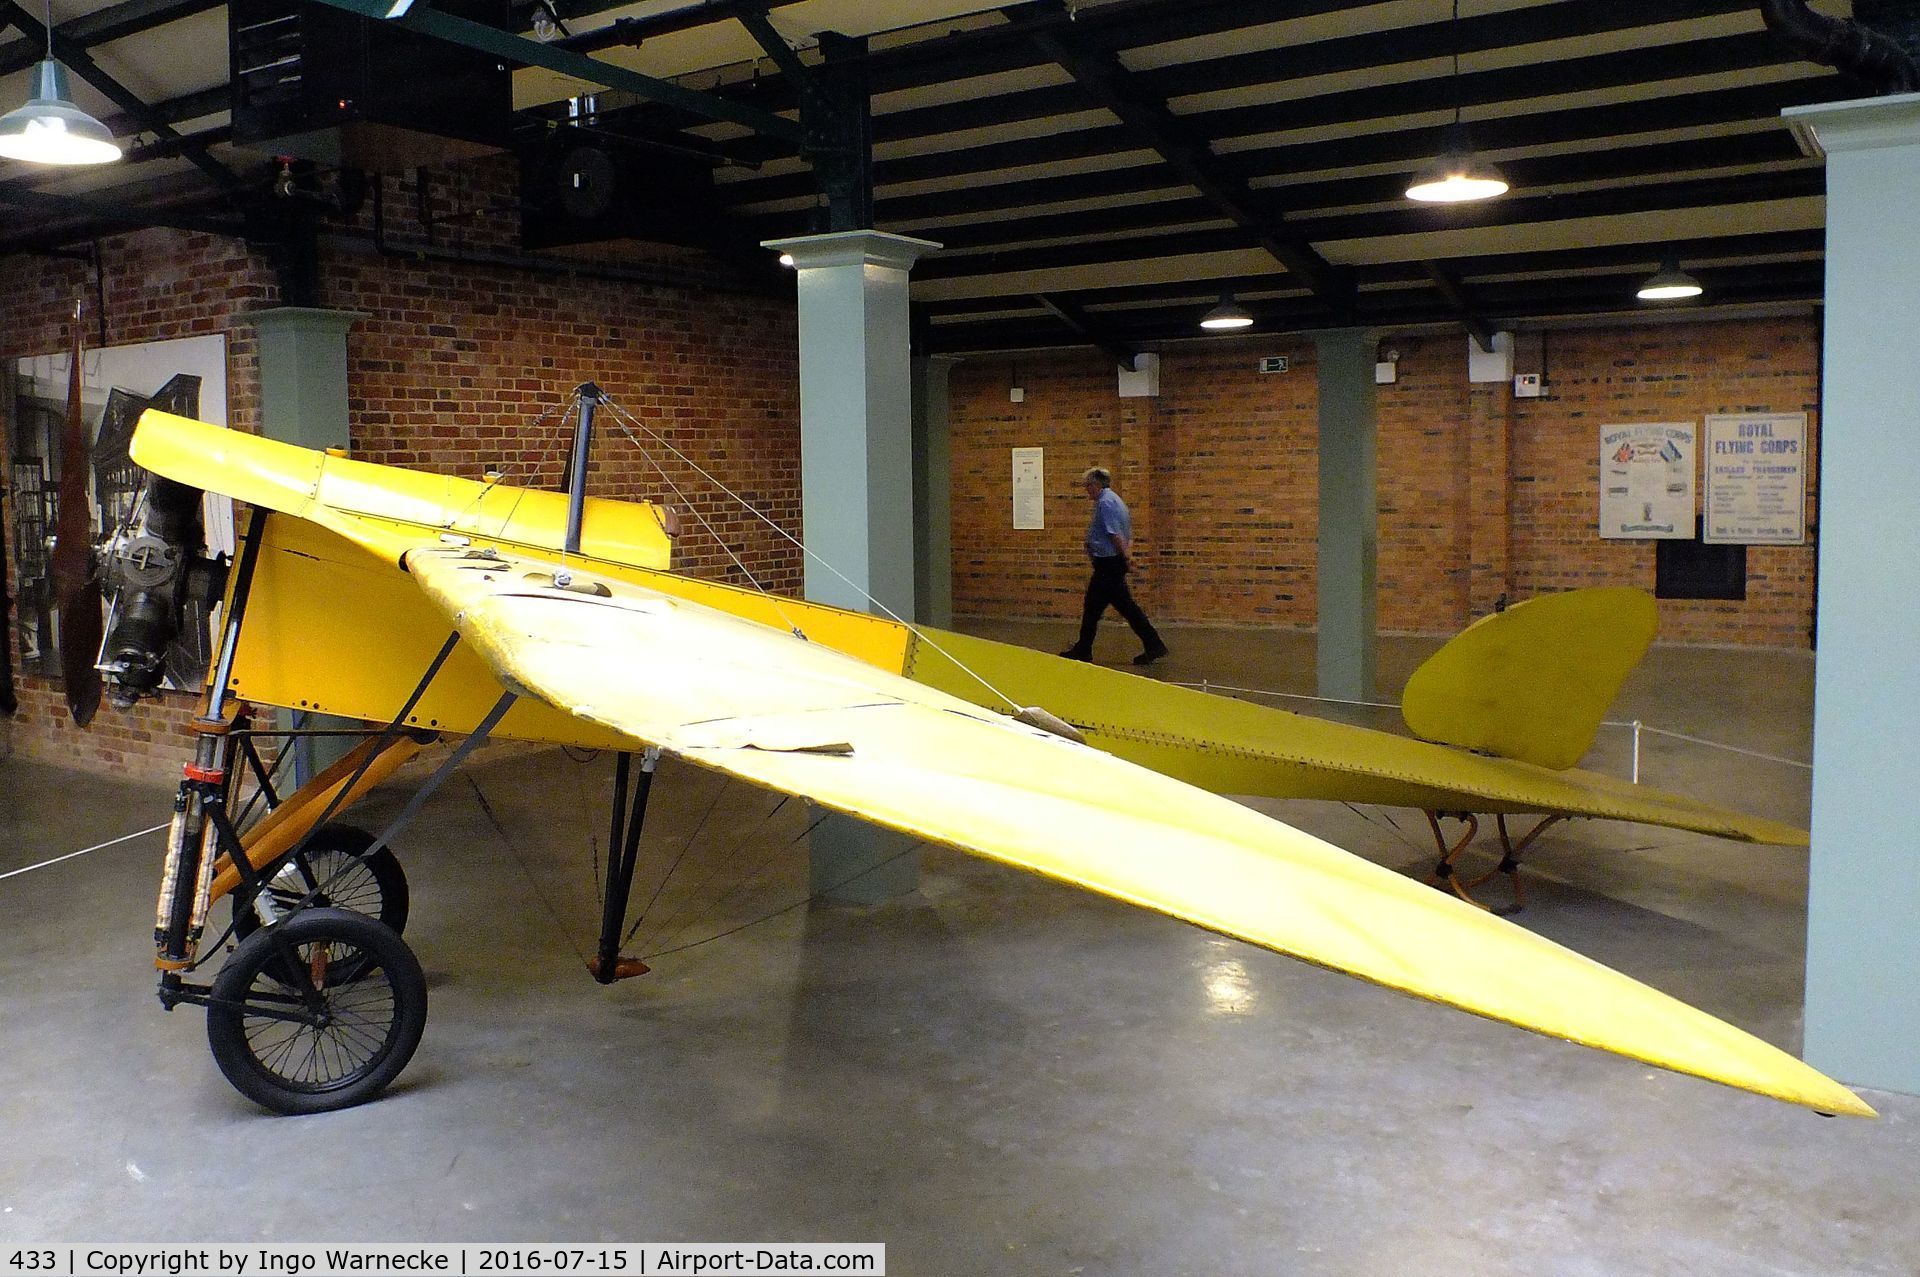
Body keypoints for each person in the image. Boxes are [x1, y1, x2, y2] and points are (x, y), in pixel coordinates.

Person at [1060, 466, 1169, 665]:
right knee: (1113, 607)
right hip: (1111, 563)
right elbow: (1127, 532)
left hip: (1108, 565)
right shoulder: (1116, 501)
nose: (1087, 491)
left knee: (1105, 607)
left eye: (1088, 486)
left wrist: (1127, 558)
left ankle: (1085, 649)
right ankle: (1152, 644)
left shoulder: (1106, 504)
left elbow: (1115, 534)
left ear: (1096, 485)